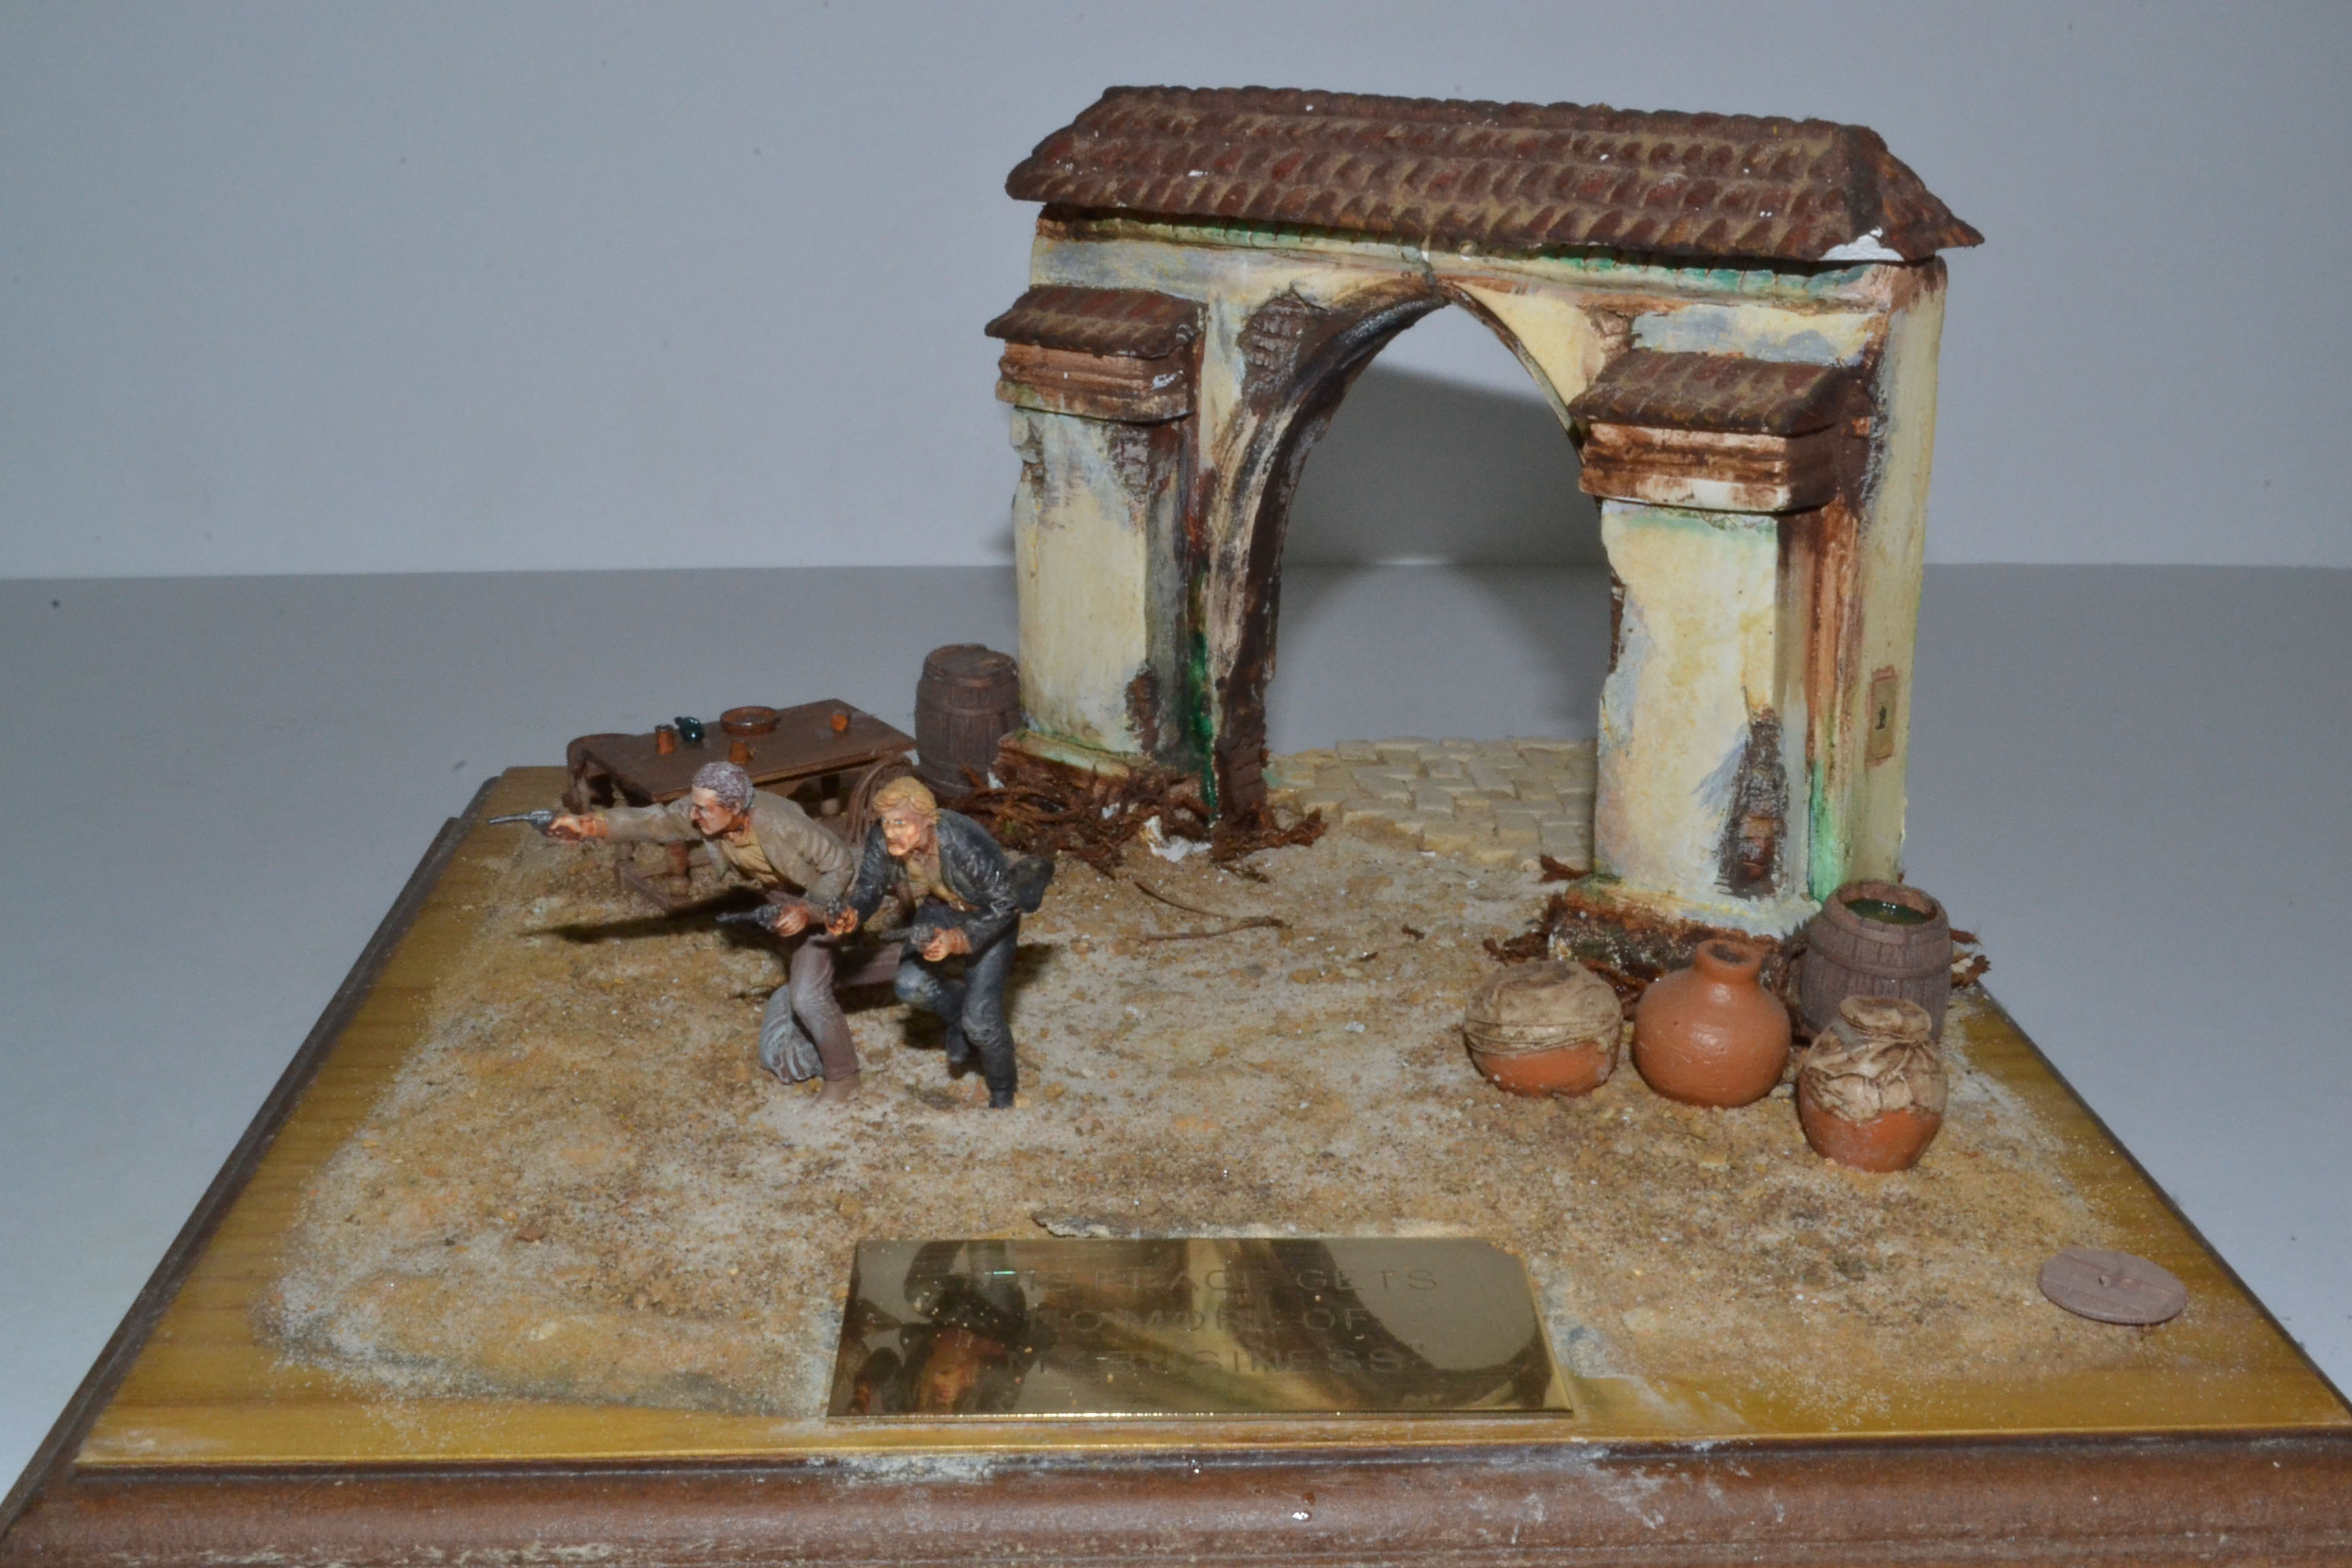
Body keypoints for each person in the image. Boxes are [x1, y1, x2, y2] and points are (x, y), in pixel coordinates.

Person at [546, 760, 886, 1102]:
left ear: (735, 807)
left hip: (826, 899)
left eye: (704, 809)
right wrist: (588, 825)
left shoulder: (778, 823)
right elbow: (656, 822)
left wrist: (809, 911)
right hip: (782, 895)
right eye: (695, 806)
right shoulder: (707, 814)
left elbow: (839, 865)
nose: (695, 816)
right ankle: (892, 960)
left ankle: (844, 1076)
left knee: (807, 995)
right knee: (813, 969)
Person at [828, 775, 1028, 1108]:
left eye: (901, 823)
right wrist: (854, 913)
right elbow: (870, 887)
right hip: (941, 907)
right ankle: (956, 1015)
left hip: (988, 917)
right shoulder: (884, 839)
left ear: (928, 821)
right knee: (910, 984)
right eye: (886, 823)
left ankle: (1003, 1092)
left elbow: (1006, 903)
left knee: (981, 1023)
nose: (890, 832)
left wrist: (959, 939)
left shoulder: (964, 842)